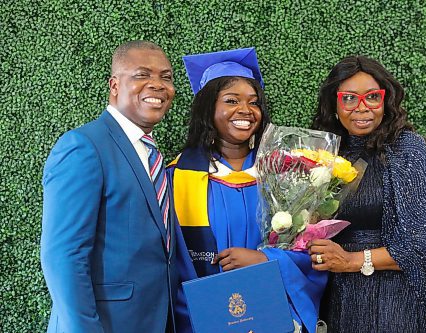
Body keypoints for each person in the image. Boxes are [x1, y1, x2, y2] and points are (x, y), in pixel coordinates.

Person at [168, 48, 327, 333]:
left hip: (274, 315)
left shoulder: (287, 176)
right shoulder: (178, 177)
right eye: (231, 101)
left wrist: (267, 259)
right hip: (205, 320)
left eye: (254, 103)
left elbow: (312, 253)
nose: (245, 110)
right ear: (208, 109)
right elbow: (170, 263)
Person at [308, 55, 426, 332]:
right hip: (338, 298)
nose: (362, 107)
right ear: (334, 104)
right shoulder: (324, 154)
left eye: (372, 96)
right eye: (349, 98)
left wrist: (353, 261)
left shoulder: (408, 152)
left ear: (386, 101)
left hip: (394, 301)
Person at [41, 40, 177, 333]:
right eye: (142, 75)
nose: (157, 85)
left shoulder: (150, 152)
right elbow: (63, 255)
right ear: (114, 85)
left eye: (166, 77)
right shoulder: (83, 146)